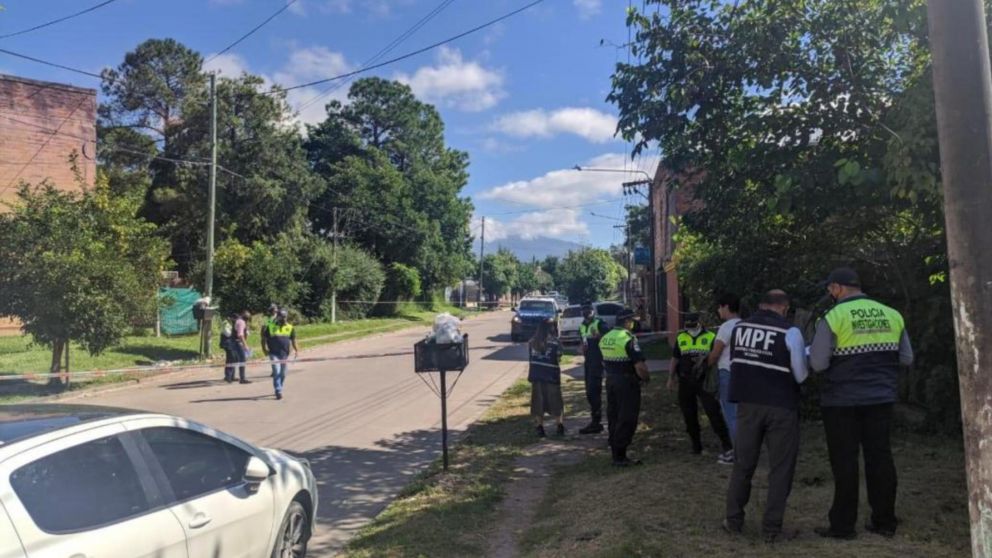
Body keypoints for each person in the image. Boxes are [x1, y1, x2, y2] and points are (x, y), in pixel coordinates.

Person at [810, 267, 913, 540]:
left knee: (845, 461)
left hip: (841, 401)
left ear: (837, 288)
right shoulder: (892, 314)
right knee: (880, 457)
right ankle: (885, 521)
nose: (830, 294)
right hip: (880, 398)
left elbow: (818, 364)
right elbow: (906, 358)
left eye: (830, 289)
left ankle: (843, 526)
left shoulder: (833, 316)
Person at [724, 290, 809, 543]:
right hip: (781, 406)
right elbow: (801, 375)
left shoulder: (739, 328)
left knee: (743, 464)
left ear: (761, 305)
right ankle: (772, 529)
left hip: (747, 405)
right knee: (781, 468)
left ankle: (733, 521)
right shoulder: (790, 332)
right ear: (784, 307)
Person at [668, 312, 733, 457]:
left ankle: (727, 445)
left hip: (704, 381)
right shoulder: (681, 337)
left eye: (693, 324)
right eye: (688, 325)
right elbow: (675, 359)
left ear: (700, 323)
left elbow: (716, 357)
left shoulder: (710, 337)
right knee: (689, 414)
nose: (690, 328)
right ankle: (696, 446)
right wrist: (670, 378)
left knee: (713, 413)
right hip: (685, 381)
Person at [600, 308, 650, 466]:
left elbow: (603, 360)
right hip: (627, 382)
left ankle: (615, 450)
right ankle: (620, 456)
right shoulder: (628, 338)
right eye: (632, 321)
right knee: (627, 417)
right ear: (627, 322)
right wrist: (646, 378)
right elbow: (640, 366)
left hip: (611, 380)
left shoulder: (605, 338)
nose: (633, 324)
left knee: (614, 415)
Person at [707, 293, 743, 464]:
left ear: (726, 307)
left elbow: (715, 354)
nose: (718, 310)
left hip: (727, 373)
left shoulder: (726, 327)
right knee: (743, 415)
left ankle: (738, 453)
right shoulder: (745, 325)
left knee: (731, 415)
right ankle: (746, 450)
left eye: (720, 307)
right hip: (744, 374)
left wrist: (705, 363)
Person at [528, 319, 565, 437]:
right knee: (556, 401)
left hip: (536, 376)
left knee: (538, 402)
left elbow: (531, 358)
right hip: (551, 376)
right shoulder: (556, 342)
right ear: (551, 328)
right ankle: (559, 426)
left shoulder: (532, 342)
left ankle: (540, 427)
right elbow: (559, 357)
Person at [578, 305, 608, 434]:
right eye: (584, 311)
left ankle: (596, 422)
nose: (586, 313)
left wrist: (600, 336)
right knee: (589, 392)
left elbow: (609, 338)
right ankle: (595, 420)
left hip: (598, 361)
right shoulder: (582, 325)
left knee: (594, 391)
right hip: (588, 361)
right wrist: (582, 347)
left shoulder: (600, 323)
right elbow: (582, 340)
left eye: (589, 311)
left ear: (593, 311)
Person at [266, 309, 299, 400]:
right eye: (281, 317)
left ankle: (279, 386)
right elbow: (264, 339)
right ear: (277, 317)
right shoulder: (271, 326)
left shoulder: (290, 327)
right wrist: (264, 349)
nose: (283, 319)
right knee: (276, 371)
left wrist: (296, 350)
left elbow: (293, 340)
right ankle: (278, 390)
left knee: (283, 373)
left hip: (284, 354)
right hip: (273, 353)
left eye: (285, 317)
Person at [232, 310, 251, 384]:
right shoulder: (241, 322)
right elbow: (240, 335)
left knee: (237, 359)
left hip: (236, 342)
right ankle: (242, 378)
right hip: (238, 343)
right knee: (242, 360)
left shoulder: (240, 321)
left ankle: (234, 376)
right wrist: (245, 345)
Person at [221, 313, 239, 383]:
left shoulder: (231, 323)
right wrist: (235, 331)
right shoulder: (225, 323)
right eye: (234, 319)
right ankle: (228, 376)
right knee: (230, 360)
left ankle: (232, 376)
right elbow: (227, 334)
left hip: (232, 344)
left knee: (233, 359)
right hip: (227, 344)